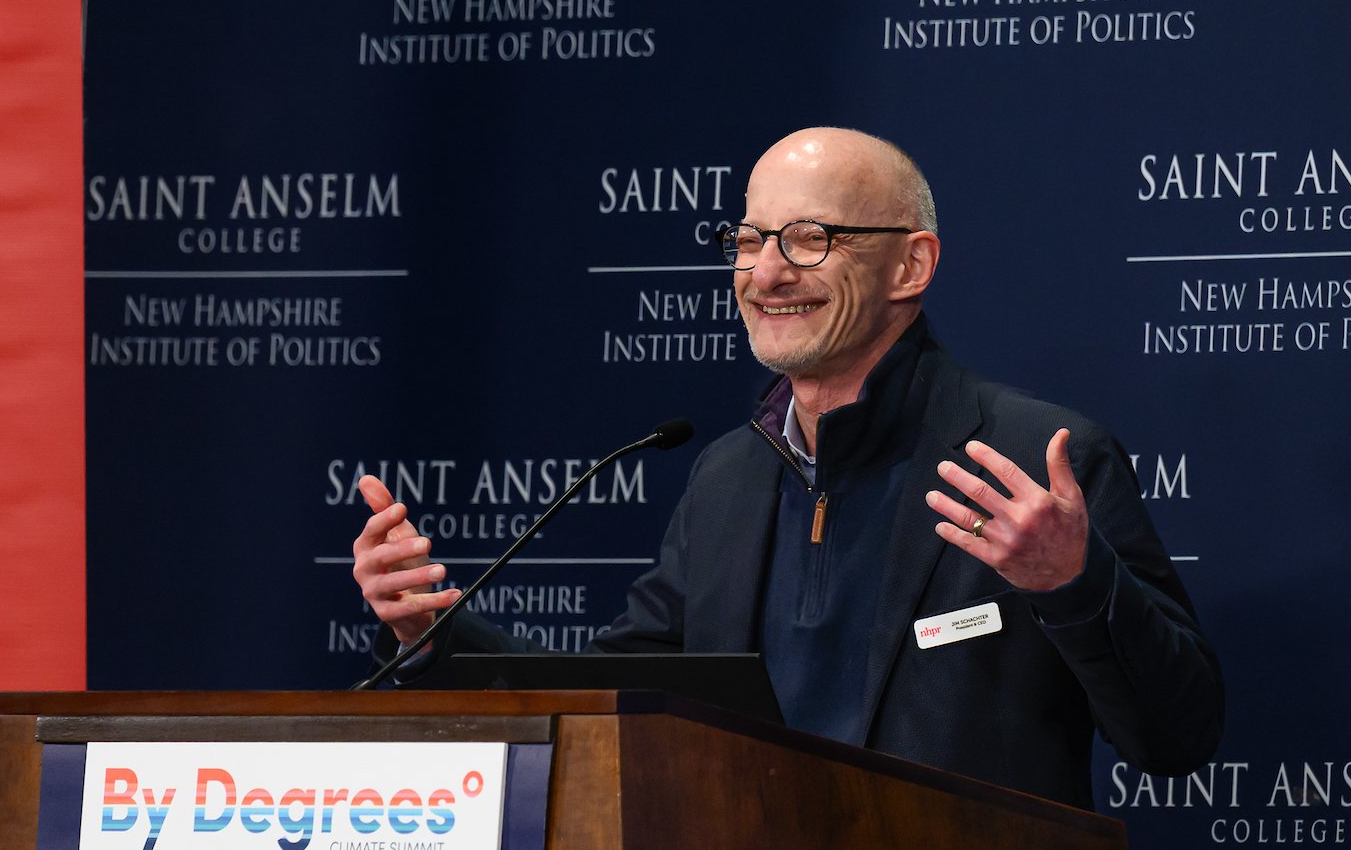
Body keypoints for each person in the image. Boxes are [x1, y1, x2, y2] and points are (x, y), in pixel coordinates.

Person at [349, 128, 1220, 810]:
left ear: (909, 264)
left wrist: (1073, 581)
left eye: (809, 240)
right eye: (748, 238)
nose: (765, 272)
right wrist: (436, 636)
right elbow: (616, 700)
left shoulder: (1035, 460)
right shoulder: (728, 478)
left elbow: (1177, 736)